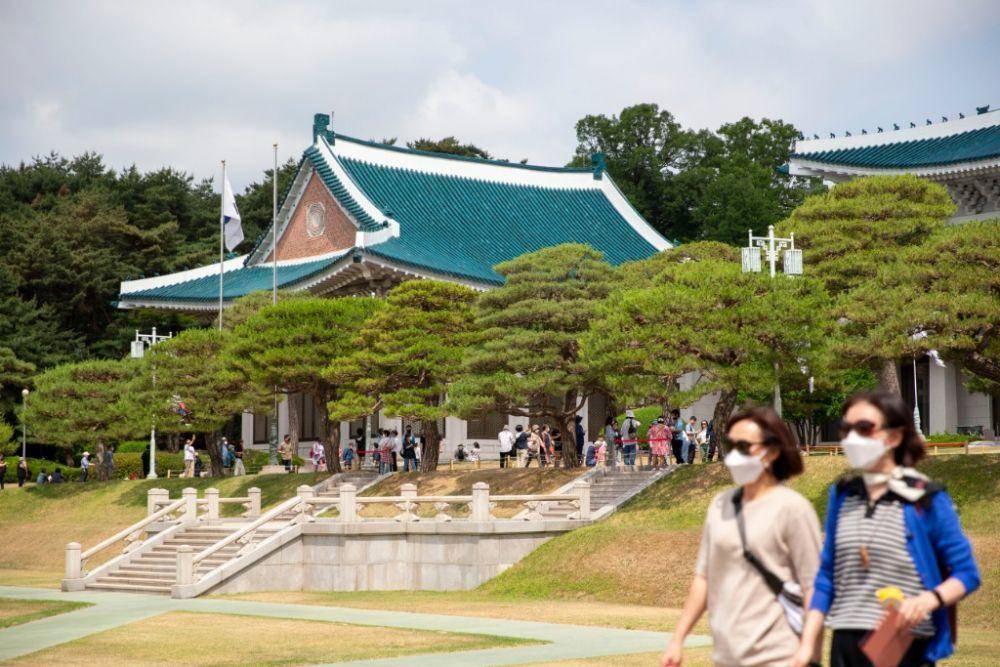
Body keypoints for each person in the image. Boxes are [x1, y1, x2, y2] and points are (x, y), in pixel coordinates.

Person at [791, 391, 981, 667]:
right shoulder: (843, 495)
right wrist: (806, 646)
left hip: (904, 644)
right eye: (846, 429)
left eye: (864, 428)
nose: (852, 438)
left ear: (894, 436)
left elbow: (967, 574)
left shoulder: (925, 498)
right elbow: (826, 576)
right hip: (845, 643)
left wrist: (929, 600)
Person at [662, 407, 822, 667]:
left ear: (772, 452)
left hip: (779, 654)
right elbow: (704, 577)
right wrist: (677, 638)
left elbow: (813, 585)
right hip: (726, 656)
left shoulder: (793, 509)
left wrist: (807, 649)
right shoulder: (720, 505)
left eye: (744, 446)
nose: (735, 454)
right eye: (731, 445)